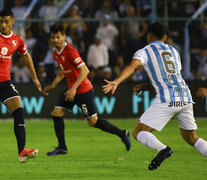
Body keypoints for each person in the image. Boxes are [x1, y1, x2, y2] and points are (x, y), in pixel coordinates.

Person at [103, 22, 207, 170]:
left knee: (139, 132)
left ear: (148, 36)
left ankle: (163, 149)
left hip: (167, 99)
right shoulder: (174, 51)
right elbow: (171, 76)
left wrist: (116, 81)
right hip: (185, 96)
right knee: (192, 138)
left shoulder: (144, 51)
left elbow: (132, 67)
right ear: (165, 37)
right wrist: (148, 86)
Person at [43, 23, 131, 156]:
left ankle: (122, 134)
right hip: (72, 90)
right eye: (53, 37)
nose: (55, 40)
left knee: (93, 122)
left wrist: (73, 88)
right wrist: (53, 85)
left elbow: (85, 70)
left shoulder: (71, 51)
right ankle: (62, 147)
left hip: (83, 90)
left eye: (58, 37)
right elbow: (62, 71)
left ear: (64, 37)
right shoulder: (56, 53)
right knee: (56, 113)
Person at [0, 9, 42, 163]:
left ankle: (22, 151)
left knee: (18, 111)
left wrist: (35, 78)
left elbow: (26, 56)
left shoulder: (17, 40)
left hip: (4, 82)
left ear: (12, 22)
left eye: (6, 21)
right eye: (0, 22)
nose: (3, 25)